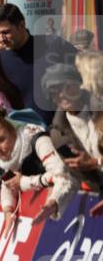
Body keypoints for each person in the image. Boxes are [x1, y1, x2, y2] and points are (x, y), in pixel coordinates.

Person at [0, 109, 76, 226]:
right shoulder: (8, 160)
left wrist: (25, 182)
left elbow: (63, 175)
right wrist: (8, 210)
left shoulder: (39, 141)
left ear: (13, 132)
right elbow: (7, 186)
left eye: (0, 140)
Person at [0, 3, 77, 124]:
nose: (1, 38)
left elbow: (85, 71)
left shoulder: (54, 45)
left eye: (6, 32)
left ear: (21, 25)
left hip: (61, 131)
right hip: (22, 134)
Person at [43, 64, 103, 192]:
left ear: (80, 85)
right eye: (55, 92)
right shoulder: (57, 134)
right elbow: (75, 177)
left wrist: (96, 162)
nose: (62, 94)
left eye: (67, 87)